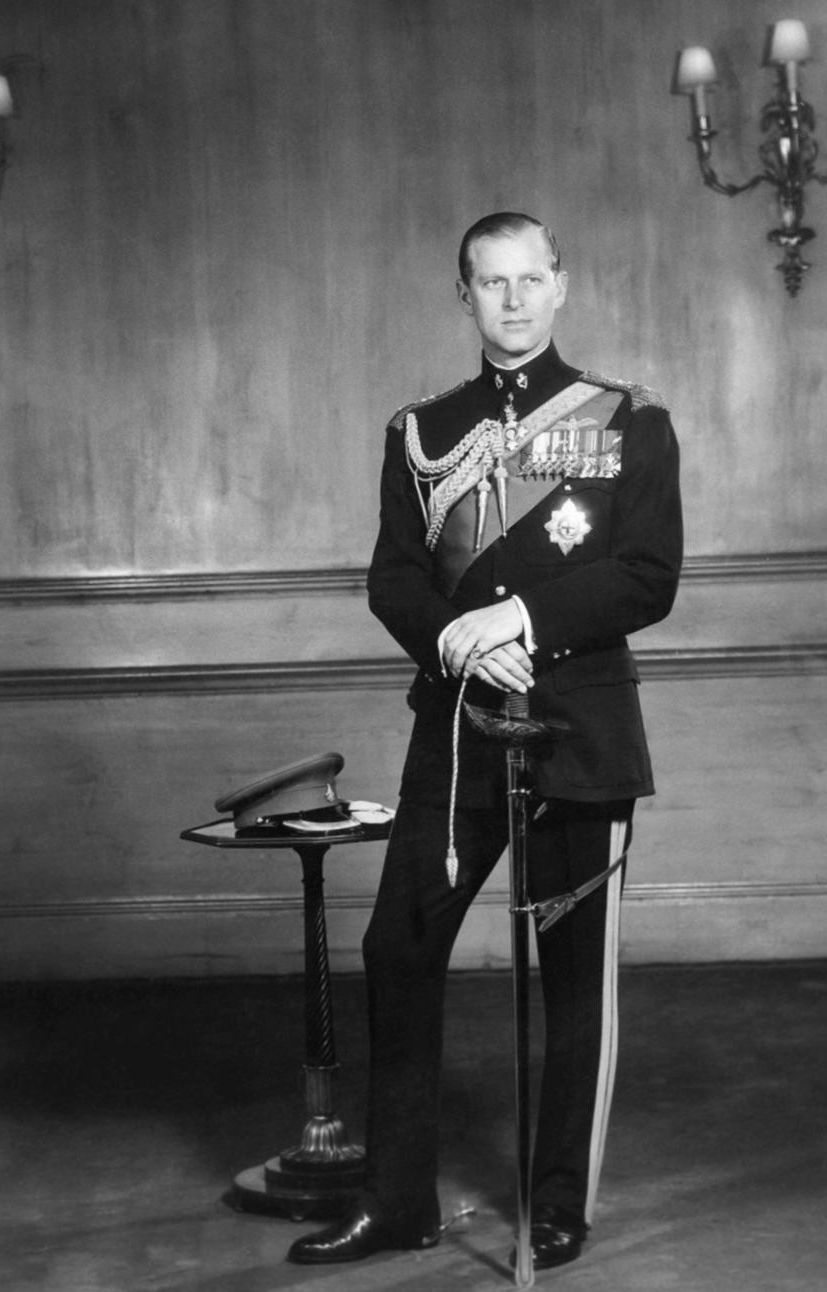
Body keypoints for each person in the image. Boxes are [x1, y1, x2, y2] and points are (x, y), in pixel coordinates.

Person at [287, 212, 683, 1272]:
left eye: (529, 279)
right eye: (490, 282)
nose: (512, 301)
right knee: (399, 946)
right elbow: (394, 580)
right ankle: (400, 1196)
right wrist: (458, 643)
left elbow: (648, 574)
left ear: (561, 283)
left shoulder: (628, 418)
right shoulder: (421, 430)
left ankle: (559, 1203)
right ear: (463, 295)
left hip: (582, 726)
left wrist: (519, 624)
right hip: (460, 728)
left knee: (574, 980)